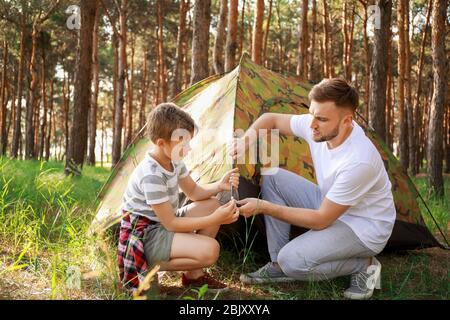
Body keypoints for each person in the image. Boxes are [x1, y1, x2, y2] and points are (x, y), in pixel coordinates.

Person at [231, 78, 396, 300]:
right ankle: (276, 265)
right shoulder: (317, 125)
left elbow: (321, 220)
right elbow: (269, 119)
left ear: (347, 121)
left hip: (363, 227)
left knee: (293, 262)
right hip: (332, 203)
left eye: (321, 119)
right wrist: (245, 141)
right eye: (311, 114)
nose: (311, 125)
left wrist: (264, 207)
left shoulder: (359, 160)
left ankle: (363, 265)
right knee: (273, 177)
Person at [118, 102, 240, 293]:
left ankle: (193, 275)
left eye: (188, 142)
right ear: (161, 143)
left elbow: (193, 192)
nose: (188, 149)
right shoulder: (152, 175)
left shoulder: (174, 161)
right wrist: (215, 219)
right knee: (211, 250)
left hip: (162, 224)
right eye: (183, 143)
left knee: (213, 204)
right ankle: (149, 266)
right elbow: (172, 224)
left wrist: (219, 185)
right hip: (145, 234)